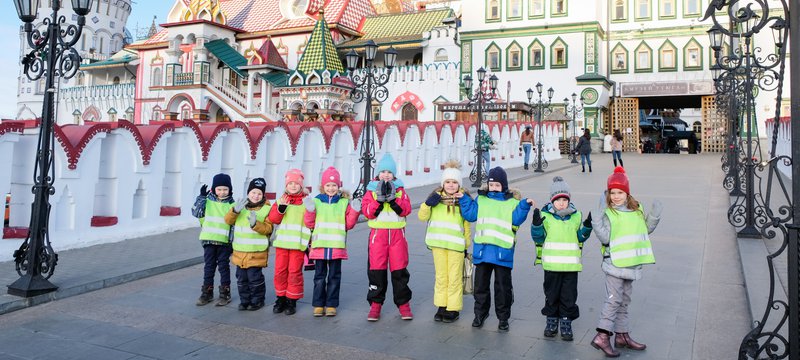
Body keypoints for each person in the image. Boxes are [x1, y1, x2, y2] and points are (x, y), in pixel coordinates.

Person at [590, 166, 662, 357]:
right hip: (614, 264)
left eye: (619, 192)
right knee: (613, 300)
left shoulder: (637, 210)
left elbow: (644, 231)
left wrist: (654, 216)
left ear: (627, 192)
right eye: (612, 192)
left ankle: (621, 336)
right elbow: (605, 239)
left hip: (631, 263)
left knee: (624, 301)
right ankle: (602, 336)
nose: (615, 196)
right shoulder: (608, 213)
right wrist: (597, 220)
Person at [457, 166, 535, 332]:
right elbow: (471, 215)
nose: (493, 188)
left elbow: (517, 219)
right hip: (483, 251)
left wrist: (524, 205)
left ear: (504, 186)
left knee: (503, 288)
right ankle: (480, 314)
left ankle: (503, 317)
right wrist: (464, 199)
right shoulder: (481, 199)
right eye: (491, 185)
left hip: (502, 252)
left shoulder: (512, 202)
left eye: (497, 185)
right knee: (480, 287)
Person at [530, 177, 593, 341]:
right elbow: (539, 238)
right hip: (552, 266)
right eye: (558, 200)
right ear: (552, 200)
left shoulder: (576, 216)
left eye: (565, 199)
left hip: (571, 267)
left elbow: (580, 237)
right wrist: (536, 225)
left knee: (568, 296)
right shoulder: (545, 216)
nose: (562, 203)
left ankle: (566, 321)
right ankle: (551, 321)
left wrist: (587, 227)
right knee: (551, 295)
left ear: (569, 200)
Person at [303, 167, 362, 317]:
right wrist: (310, 211)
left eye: (334, 185)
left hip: (336, 247)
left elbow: (348, 224)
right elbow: (309, 224)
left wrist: (354, 212)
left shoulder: (343, 202)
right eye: (328, 185)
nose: (331, 188)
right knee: (319, 277)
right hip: (320, 247)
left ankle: (331, 305)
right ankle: (318, 304)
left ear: (338, 186)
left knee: (334, 277)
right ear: (323, 186)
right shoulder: (316, 201)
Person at [362, 153, 414, 321]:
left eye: (389, 172)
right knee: (376, 271)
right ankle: (375, 305)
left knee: (399, 271)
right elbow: (368, 213)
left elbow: (406, 210)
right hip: (378, 237)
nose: (386, 174)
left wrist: (393, 200)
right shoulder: (371, 191)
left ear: (394, 174)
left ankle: (404, 304)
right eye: (383, 171)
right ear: (378, 173)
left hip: (397, 236)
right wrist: (379, 200)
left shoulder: (400, 190)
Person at [418, 160, 471, 323]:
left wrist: (466, 243)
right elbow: (422, 217)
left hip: (455, 245)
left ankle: (453, 308)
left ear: (459, 184)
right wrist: (427, 204)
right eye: (447, 182)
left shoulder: (463, 198)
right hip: (438, 244)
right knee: (441, 276)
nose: (451, 185)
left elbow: (467, 222)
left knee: (454, 277)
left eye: (454, 182)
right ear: (443, 183)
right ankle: (441, 305)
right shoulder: (435, 198)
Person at [224, 178, 273, 311]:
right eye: (253, 192)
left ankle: (257, 300)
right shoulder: (240, 206)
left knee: (254, 278)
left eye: (259, 193)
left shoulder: (267, 209)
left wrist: (255, 224)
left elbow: (268, 229)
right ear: (248, 193)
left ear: (263, 195)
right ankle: (244, 301)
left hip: (256, 253)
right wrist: (235, 211)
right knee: (241, 279)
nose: (256, 196)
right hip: (239, 252)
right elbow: (228, 221)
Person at [268, 169, 312, 316]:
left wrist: (311, 211)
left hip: (298, 245)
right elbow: (273, 219)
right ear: (286, 185)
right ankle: (280, 298)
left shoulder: (306, 201)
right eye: (290, 183)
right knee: (280, 272)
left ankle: (291, 301)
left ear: (301, 185)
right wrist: (280, 210)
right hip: (282, 244)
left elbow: (310, 222)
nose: (293, 186)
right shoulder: (281, 200)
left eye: (296, 183)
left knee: (294, 273)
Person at [191, 173, 235, 306]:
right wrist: (201, 198)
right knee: (209, 267)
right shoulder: (207, 201)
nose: (222, 192)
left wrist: (232, 242)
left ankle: (225, 293)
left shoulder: (232, 204)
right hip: (209, 241)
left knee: (223, 267)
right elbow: (196, 213)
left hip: (224, 242)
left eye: (225, 189)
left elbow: (234, 225)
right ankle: (207, 293)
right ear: (213, 189)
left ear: (230, 190)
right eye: (219, 189)